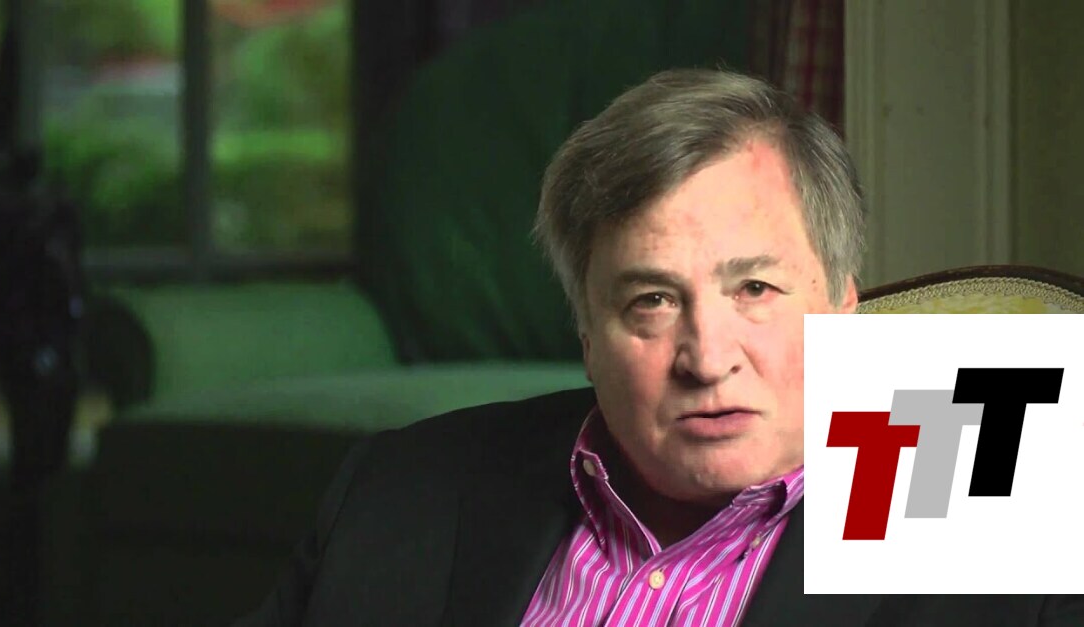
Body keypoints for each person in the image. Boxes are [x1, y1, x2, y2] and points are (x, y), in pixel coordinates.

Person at [235, 69, 1084, 626]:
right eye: (651, 300)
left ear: (841, 309)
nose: (706, 357)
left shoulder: (973, 481)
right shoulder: (405, 486)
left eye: (755, 289)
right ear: (586, 334)